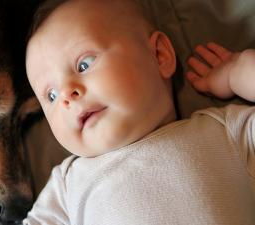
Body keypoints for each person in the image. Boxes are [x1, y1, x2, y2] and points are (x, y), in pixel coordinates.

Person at [23, 0, 255, 224]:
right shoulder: (66, 186)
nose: (66, 95)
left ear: (159, 55)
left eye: (84, 64)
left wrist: (239, 72)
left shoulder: (224, 132)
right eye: (51, 95)